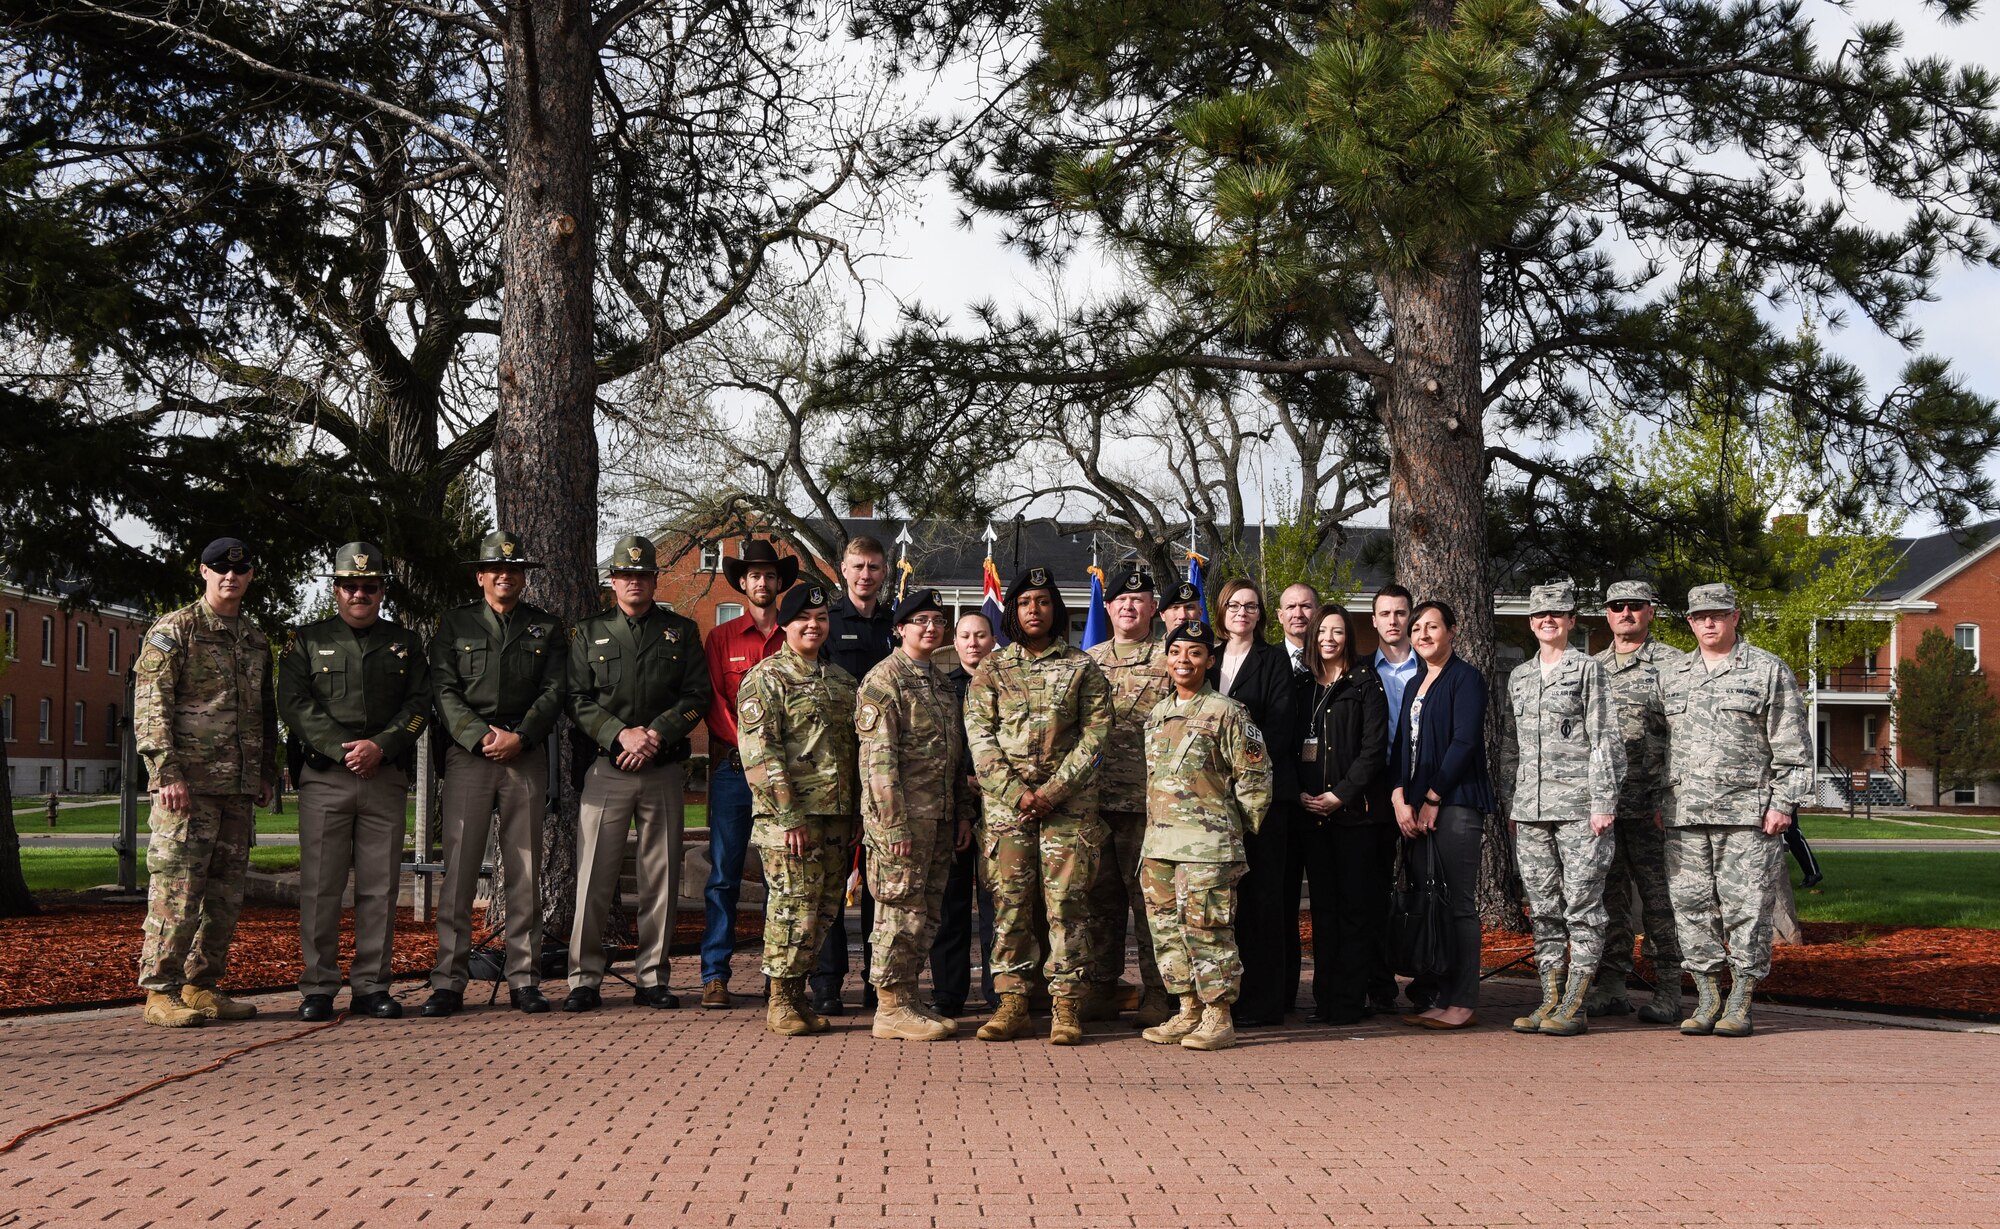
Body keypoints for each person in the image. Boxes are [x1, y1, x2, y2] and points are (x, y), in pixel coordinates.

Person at [278, 541, 432, 1022]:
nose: (359, 593)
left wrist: (381, 746)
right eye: (350, 585)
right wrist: (344, 749)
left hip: (383, 777)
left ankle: (371, 985)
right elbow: (294, 705)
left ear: (382, 590)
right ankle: (318, 987)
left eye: (368, 586)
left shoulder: (404, 643)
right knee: (321, 887)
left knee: (379, 888)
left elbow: (420, 704)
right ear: (336, 589)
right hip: (326, 777)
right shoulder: (305, 640)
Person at [132, 537, 279, 1028]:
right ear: (203, 572)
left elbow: (264, 710)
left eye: (238, 572)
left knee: (224, 896)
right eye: (219, 570)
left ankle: (201, 985)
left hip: (237, 788)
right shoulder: (177, 630)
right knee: (177, 890)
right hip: (186, 789)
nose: (229, 578)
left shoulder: (255, 639)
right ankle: (159, 991)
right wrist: (165, 772)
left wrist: (264, 772)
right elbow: (151, 705)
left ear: (250, 576)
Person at [562, 535, 712, 1012]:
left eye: (642, 575)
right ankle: (583, 978)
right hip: (608, 768)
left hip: (662, 769)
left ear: (653, 580)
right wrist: (618, 735)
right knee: (592, 879)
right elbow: (576, 698)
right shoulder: (588, 632)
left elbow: (696, 696)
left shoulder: (681, 632)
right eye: (625, 575)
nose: (634, 582)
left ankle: (652, 976)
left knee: (661, 880)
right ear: (613, 581)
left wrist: (655, 736)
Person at [963, 565, 1111, 1045]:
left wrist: (1052, 792)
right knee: (1010, 905)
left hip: (1068, 809)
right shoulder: (992, 669)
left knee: (1068, 905)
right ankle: (1013, 1004)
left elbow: (1096, 736)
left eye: (1044, 602)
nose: (1034, 610)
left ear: (1056, 610)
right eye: (1026, 602)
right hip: (1009, 811)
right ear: (1013, 610)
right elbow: (980, 738)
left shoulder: (1081, 667)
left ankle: (1067, 1006)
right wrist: (1016, 793)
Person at [423, 531, 567, 1017]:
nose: (505, 575)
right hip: (470, 755)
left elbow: (554, 690)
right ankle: (448, 979)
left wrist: (521, 737)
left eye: (514, 568)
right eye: (496, 568)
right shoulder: (455, 624)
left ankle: (524, 978)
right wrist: (478, 734)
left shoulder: (545, 627)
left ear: (523, 577)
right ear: (481, 575)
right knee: (459, 871)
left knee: (524, 871)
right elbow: (442, 688)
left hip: (524, 755)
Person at [1661, 582, 1813, 1038]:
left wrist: (1783, 803)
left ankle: (1741, 999)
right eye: (1700, 616)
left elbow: (1793, 744)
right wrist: (1657, 800)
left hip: (1749, 815)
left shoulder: (1767, 670)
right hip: (1684, 815)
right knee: (1690, 908)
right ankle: (1707, 997)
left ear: (1735, 616)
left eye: (1718, 614)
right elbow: (1656, 748)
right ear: (1690, 621)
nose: (1709, 622)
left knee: (1747, 909)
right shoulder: (1674, 675)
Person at [1137, 620, 1273, 1053]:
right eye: (1176, 652)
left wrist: (1236, 830)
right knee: (1167, 931)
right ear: (1166, 658)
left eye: (1194, 653)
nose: (1184, 660)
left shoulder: (1228, 712)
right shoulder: (1157, 715)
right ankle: (1188, 1008)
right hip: (1158, 846)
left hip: (1208, 848)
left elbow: (1255, 778)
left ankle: (1219, 1015)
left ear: (1209, 661)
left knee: (1207, 930)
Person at [1496, 581, 1625, 1037]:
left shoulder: (1588, 670)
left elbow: (1605, 738)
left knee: (1583, 907)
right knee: (1545, 908)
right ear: (1530, 623)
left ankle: (1577, 1000)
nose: (1547, 621)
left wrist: (1603, 803)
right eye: (1539, 616)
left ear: (1571, 620)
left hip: (1579, 810)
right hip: (1531, 811)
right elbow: (1511, 745)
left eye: (1556, 614)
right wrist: (1513, 802)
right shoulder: (1520, 677)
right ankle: (1550, 997)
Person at [738, 582, 860, 1037]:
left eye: (821, 618)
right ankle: (780, 1000)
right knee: (793, 907)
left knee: (824, 910)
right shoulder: (767, 678)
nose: (814, 625)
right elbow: (760, 752)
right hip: (789, 819)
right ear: (786, 624)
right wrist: (787, 815)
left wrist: (856, 816)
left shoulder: (841, 682)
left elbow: (852, 755)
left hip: (834, 816)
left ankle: (799, 995)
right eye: (803, 619)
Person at [857, 588, 976, 1041]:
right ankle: (889, 1006)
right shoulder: (883, 681)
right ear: (900, 628)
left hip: (940, 820)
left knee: (924, 916)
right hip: (903, 823)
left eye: (937, 621)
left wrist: (962, 813)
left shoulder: (942, 685)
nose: (931, 628)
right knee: (896, 912)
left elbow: (955, 759)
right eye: (920, 620)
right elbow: (879, 764)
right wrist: (893, 826)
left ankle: (907, 996)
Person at [698, 538, 796, 1007]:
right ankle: (714, 974)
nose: (762, 582)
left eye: (770, 575)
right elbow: (714, 702)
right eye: (754, 575)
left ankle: (778, 973)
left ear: (779, 583)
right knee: (724, 874)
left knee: (784, 877)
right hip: (736, 772)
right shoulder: (721, 638)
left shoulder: (795, 634)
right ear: (742, 582)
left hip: (787, 779)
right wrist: (749, 748)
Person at [1390, 600, 1493, 1030]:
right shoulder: (1415, 683)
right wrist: (1399, 798)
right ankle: (1439, 992)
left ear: (1453, 630)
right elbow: (1401, 746)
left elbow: (1464, 742)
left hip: (1455, 805)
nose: (1423, 634)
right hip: (1416, 808)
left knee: (1459, 906)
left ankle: (1463, 1000)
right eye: (1417, 628)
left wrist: (1433, 797)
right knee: (1431, 902)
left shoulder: (1466, 679)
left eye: (1433, 627)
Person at [1082, 562, 1176, 1027]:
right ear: (1109, 606)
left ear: (1154, 609)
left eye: (1139, 600)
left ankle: (1159, 994)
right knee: (1099, 902)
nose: (1129, 606)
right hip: (1095, 803)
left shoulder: (1169, 659)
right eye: (1121, 599)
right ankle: (1102, 986)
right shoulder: (1088, 661)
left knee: (1150, 905)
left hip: (1149, 806)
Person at [1289, 605, 1392, 1024]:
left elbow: (1374, 751)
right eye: (1322, 632)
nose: (1329, 639)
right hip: (1311, 815)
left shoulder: (1366, 684)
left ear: (1348, 636)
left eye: (1337, 631)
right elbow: (1289, 743)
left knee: (1354, 909)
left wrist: (1340, 795)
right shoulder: (1302, 687)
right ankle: (1325, 998)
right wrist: (1300, 792)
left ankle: (1350, 1002)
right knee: (1324, 913)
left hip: (1355, 817)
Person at [1591, 579, 1687, 1024]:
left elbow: (1684, 738)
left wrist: (1670, 799)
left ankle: (1669, 990)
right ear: (1606, 614)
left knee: (1659, 900)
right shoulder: (1591, 668)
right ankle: (1611, 986)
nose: (1625, 613)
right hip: (1605, 808)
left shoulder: (1674, 666)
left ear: (1650, 611)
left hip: (1652, 807)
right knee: (1609, 899)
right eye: (1617, 606)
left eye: (1635, 606)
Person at [1208, 577, 1299, 1026]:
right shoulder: (1206, 658)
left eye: (1250, 606)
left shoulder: (1274, 661)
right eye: (1233, 605)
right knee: (1222, 902)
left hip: (1262, 799)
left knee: (1264, 900)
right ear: (1221, 612)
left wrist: (1240, 773)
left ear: (1261, 615)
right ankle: (1219, 998)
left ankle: (1264, 1002)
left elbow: (1280, 729)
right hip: (1208, 802)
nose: (1242, 612)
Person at [814, 536, 897, 1016]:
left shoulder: (897, 624)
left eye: (874, 566)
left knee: (879, 880)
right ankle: (827, 982)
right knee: (832, 878)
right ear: (842, 570)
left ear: (884, 571)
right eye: (858, 566)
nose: (865, 574)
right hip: (840, 766)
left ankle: (876, 978)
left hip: (887, 770)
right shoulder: (828, 622)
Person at [932, 611, 1001, 1018]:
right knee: (950, 902)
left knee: (997, 901)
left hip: (1000, 805)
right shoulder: (943, 688)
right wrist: (965, 781)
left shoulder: (1009, 684)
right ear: (954, 643)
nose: (973, 643)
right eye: (964, 636)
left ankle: (999, 990)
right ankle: (948, 992)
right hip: (955, 804)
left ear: (994, 639)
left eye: (981, 635)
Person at [1368, 583, 1421, 1011]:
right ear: (1374, 620)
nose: (1393, 621)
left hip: (1425, 791)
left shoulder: (1431, 668)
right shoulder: (1364, 672)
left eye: (1400, 613)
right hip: (1379, 792)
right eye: (1385, 613)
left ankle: (1428, 981)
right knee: (1377, 891)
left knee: (1425, 890)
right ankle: (1380, 985)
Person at [1277, 584, 1319, 674]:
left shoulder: (1333, 660)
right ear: (1280, 616)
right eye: (1291, 607)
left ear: (1318, 613)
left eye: (1305, 606)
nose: (1298, 614)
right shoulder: (1265, 660)